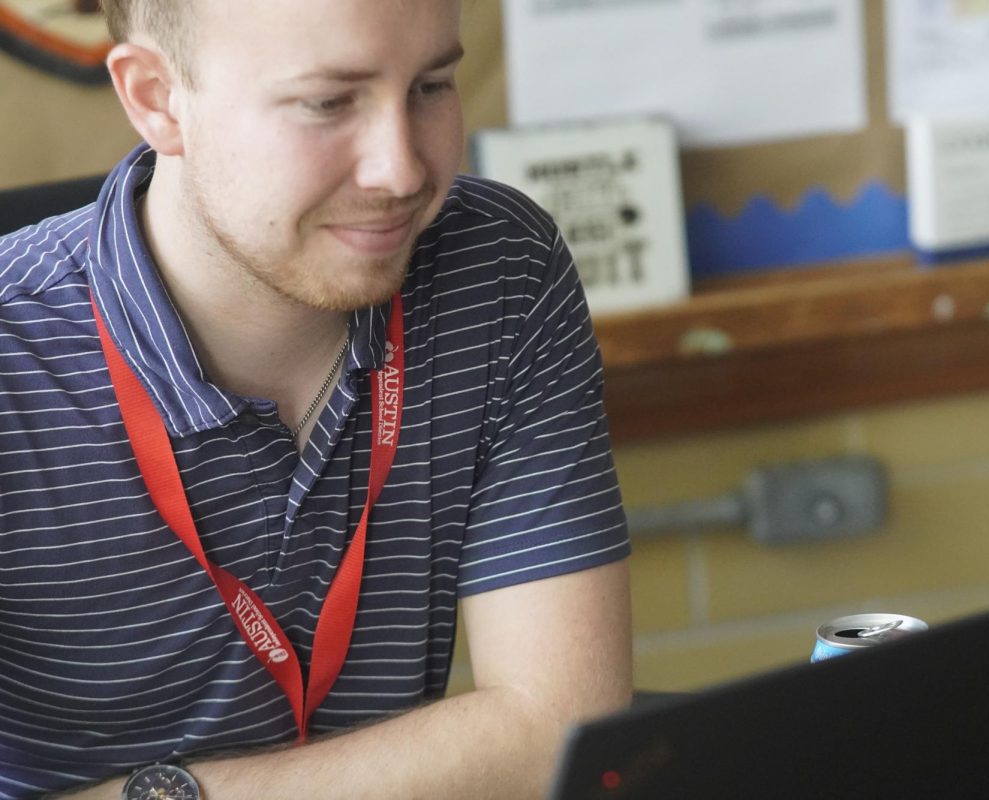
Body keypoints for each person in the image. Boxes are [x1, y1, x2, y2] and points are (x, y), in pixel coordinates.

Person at [0, 1, 632, 797]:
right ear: (158, 97)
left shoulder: (501, 268)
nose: (401, 171)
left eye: (431, 85)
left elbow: (562, 728)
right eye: (329, 102)